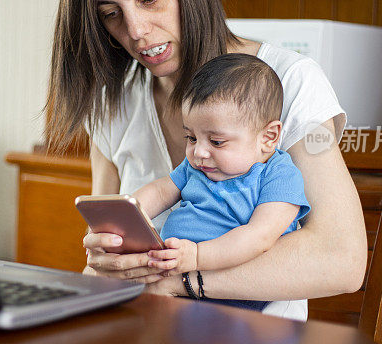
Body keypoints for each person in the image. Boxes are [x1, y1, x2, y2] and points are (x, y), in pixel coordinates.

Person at [45, 0, 366, 320]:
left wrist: (181, 280)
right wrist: (102, 266)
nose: (136, 31)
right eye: (111, 14)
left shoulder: (290, 81)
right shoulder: (112, 102)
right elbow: (104, 262)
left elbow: (342, 259)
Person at [131, 53, 310, 311]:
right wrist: (128, 211)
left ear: (268, 137)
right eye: (191, 138)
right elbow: (161, 191)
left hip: (229, 297)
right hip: (173, 279)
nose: (199, 152)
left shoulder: (279, 175)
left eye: (216, 142)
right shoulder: (199, 166)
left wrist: (196, 256)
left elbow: (260, 237)